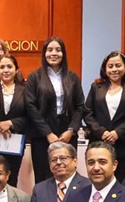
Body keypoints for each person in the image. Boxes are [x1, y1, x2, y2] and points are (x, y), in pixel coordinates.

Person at [24, 36, 85, 183]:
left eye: (58, 50)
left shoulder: (72, 77)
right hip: (42, 136)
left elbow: (80, 106)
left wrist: (71, 130)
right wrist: (47, 133)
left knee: (67, 174)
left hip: (67, 135)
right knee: (43, 177)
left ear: (63, 53)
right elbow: (30, 106)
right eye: (50, 50)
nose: (54, 53)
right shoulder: (35, 77)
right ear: (44, 53)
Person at [84, 51, 125, 182]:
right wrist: (101, 132)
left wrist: (118, 133)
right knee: (99, 180)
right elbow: (88, 113)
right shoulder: (96, 87)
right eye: (110, 66)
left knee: (121, 183)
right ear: (105, 69)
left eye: (118, 65)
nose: (114, 69)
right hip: (99, 142)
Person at [0, 54, 28, 188]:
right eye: (2, 67)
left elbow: (30, 116)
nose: (6, 70)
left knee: (12, 179)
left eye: (9, 66)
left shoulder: (25, 90)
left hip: (15, 142)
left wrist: (11, 123)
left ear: (16, 69)